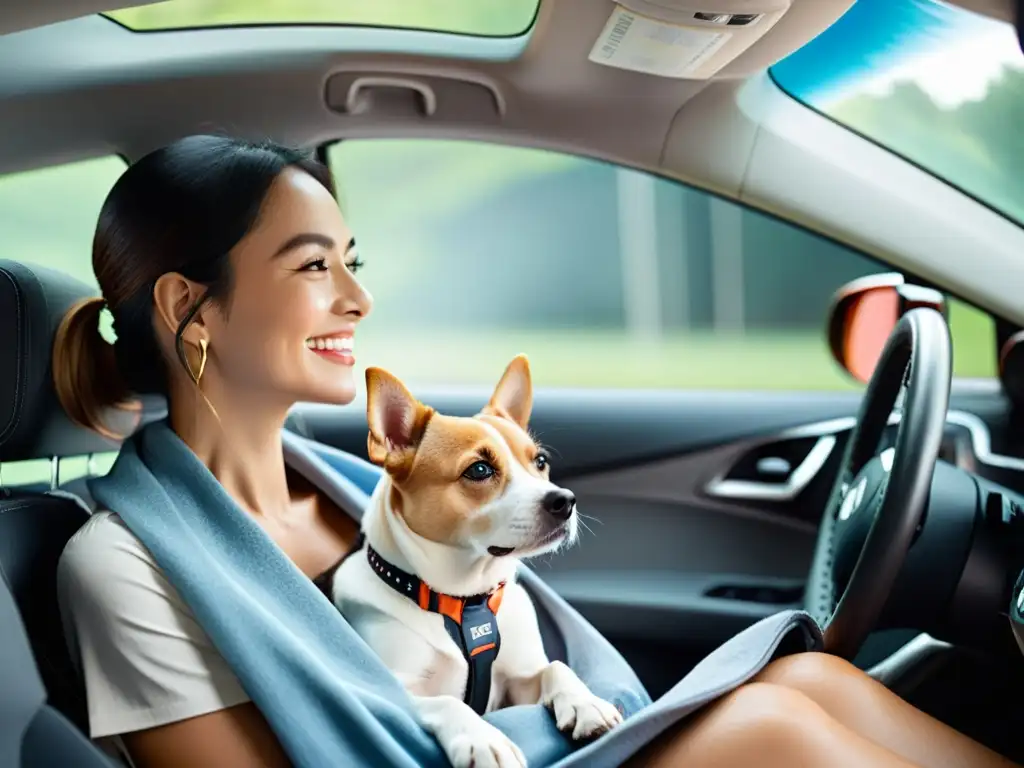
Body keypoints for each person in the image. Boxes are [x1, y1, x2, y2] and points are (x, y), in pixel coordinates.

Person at [51, 134, 1018, 768]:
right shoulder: (125, 564)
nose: (357, 298)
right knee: (775, 730)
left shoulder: (347, 490)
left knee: (809, 680)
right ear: (192, 307)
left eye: (355, 262)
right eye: (314, 266)